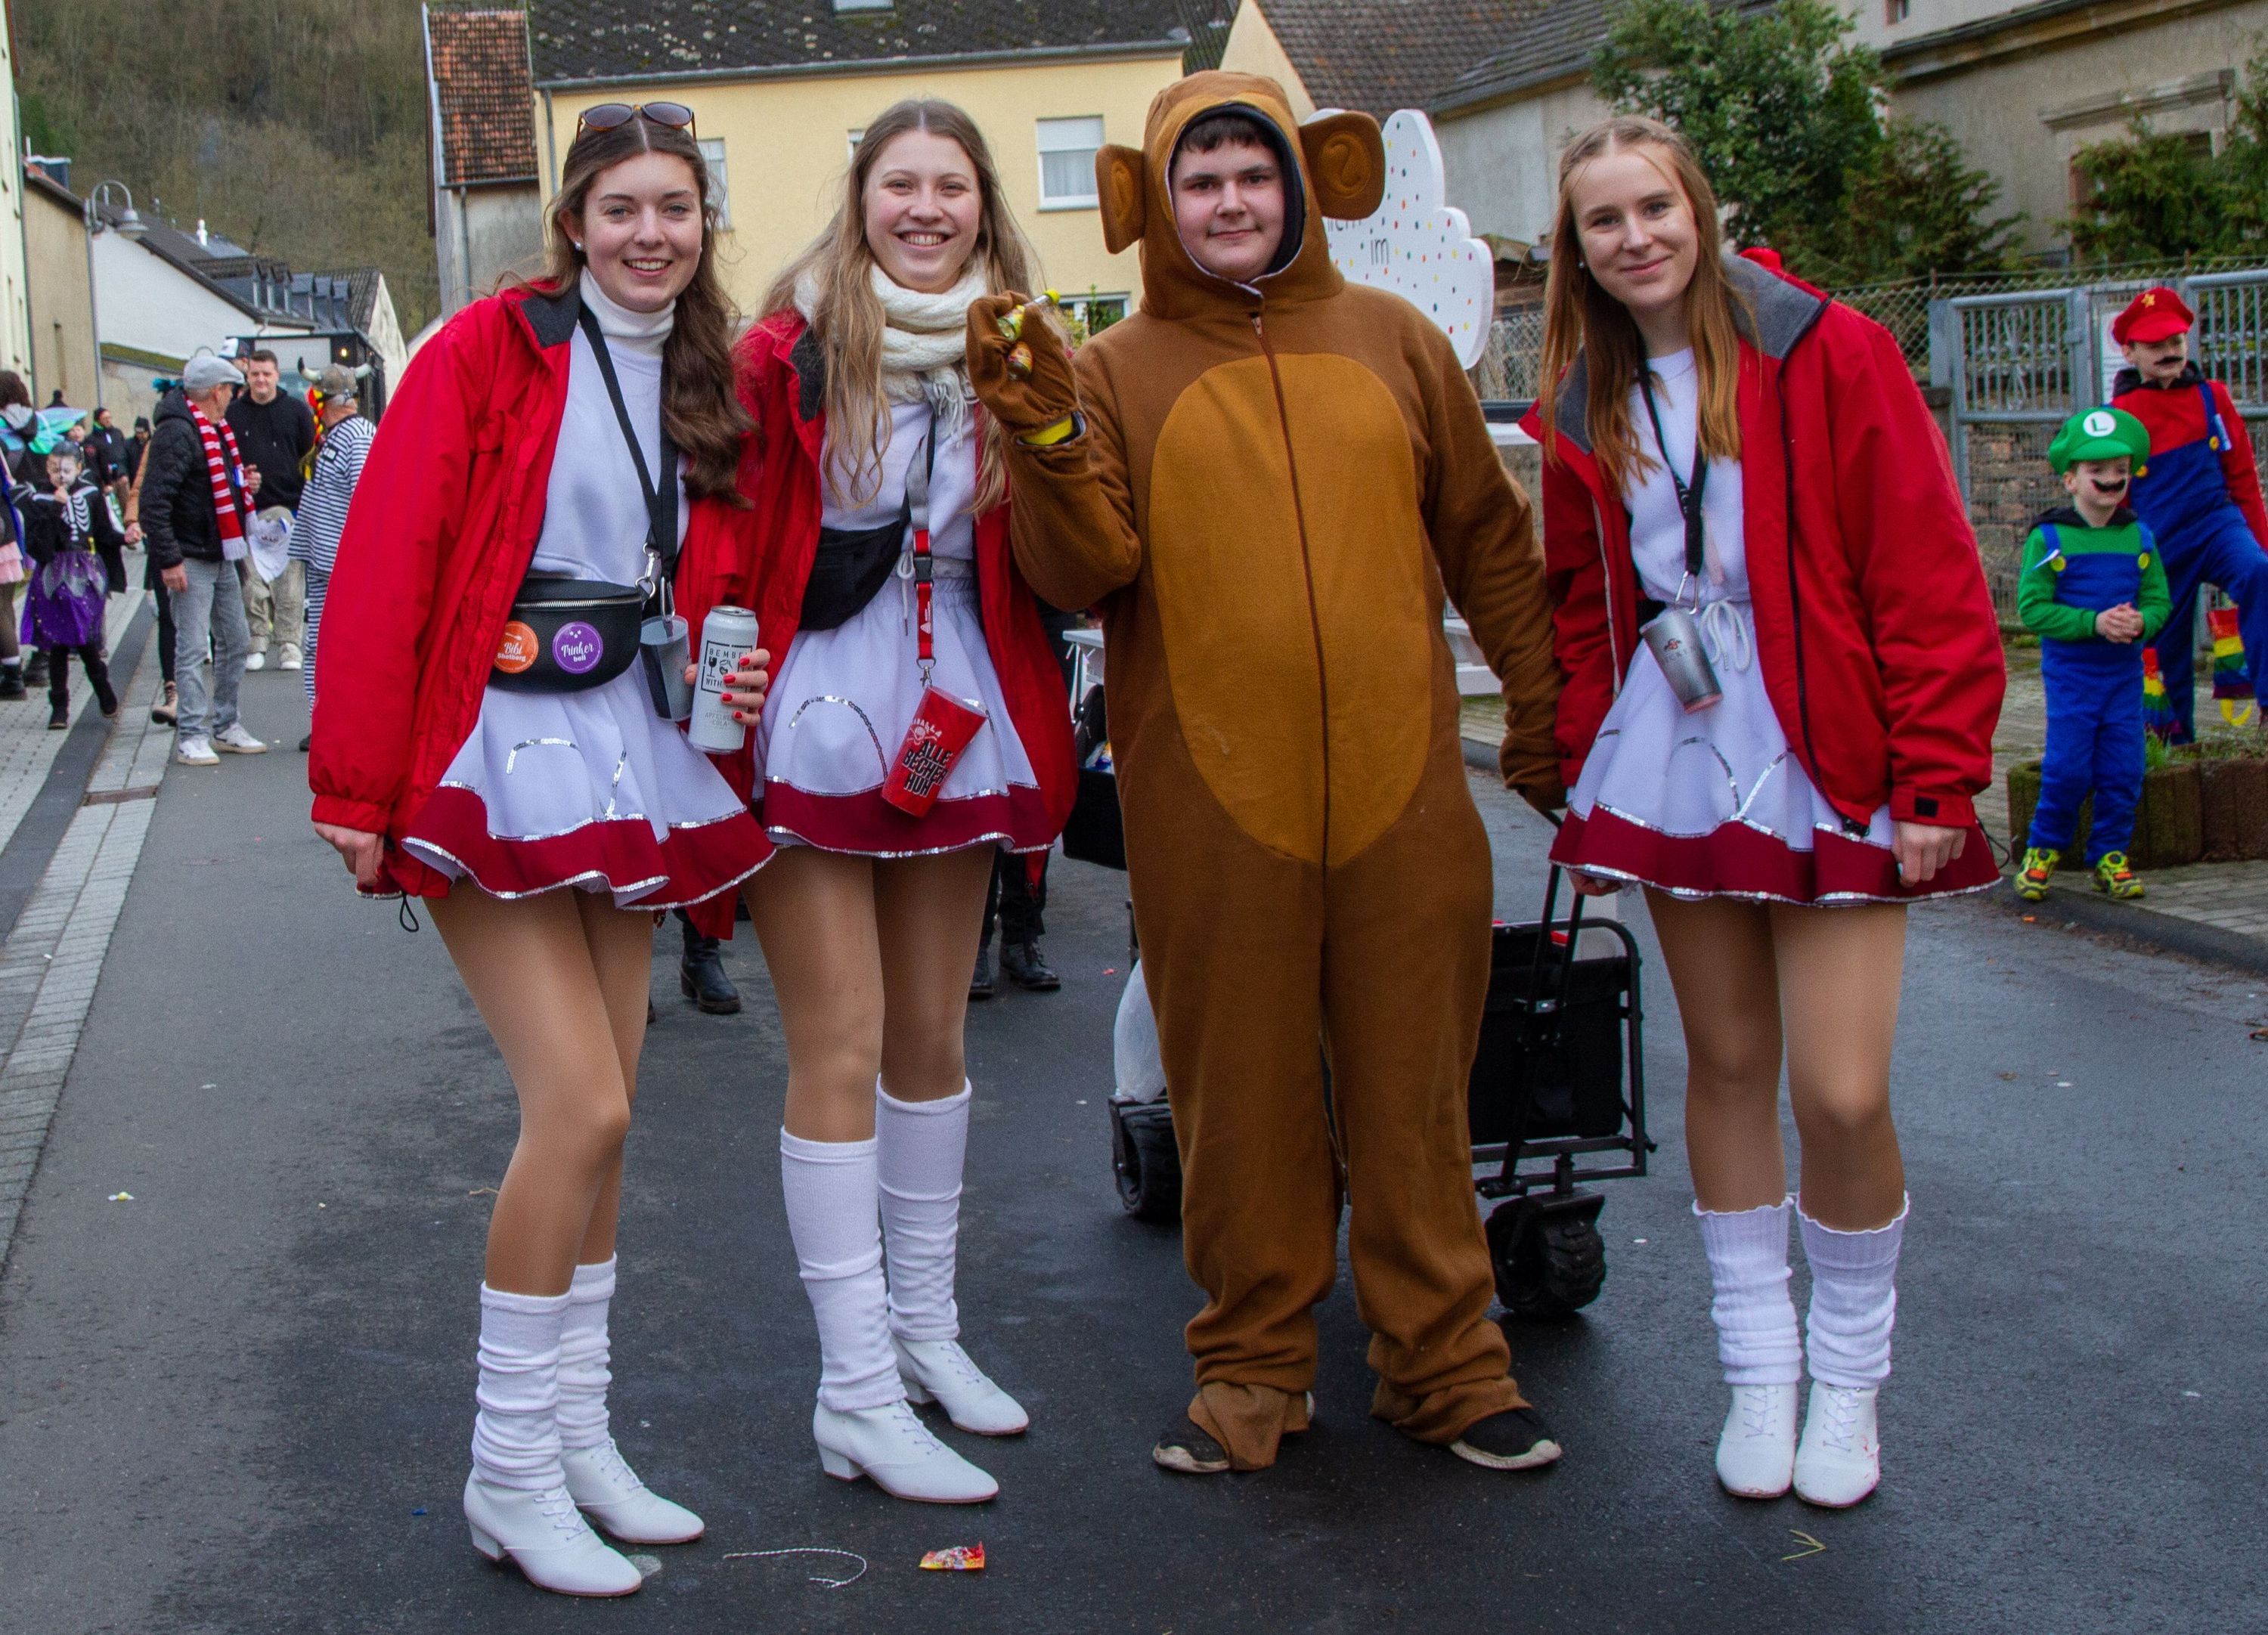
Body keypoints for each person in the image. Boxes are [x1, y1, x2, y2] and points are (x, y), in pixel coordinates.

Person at [967, 73, 1567, 1479]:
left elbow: (1490, 543)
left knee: (1417, 1086)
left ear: (1303, 187)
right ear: (1159, 206)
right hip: (1208, 804)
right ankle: (1251, 1367)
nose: (1232, 203)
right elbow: (1083, 570)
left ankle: (1451, 1366)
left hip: (1406, 791)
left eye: (1255, 174)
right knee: (1236, 1092)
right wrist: (1045, 437)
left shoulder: (1398, 341)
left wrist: (1544, 719)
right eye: (1203, 180)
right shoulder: (1111, 373)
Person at [309, 105, 770, 1597]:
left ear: (706, 223)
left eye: (677, 209)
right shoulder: (484, 349)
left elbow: (707, 568)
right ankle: (506, 1466)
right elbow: (390, 562)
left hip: (627, 740)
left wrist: (727, 668)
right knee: (571, 1104)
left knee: (616, 1112)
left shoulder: (710, 369)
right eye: (622, 207)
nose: (652, 233)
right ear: (574, 219)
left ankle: (578, 1436)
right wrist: (359, 784)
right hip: (486, 746)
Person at [1520, 117, 2003, 1507]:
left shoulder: (1827, 350)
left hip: (1836, 747)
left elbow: (1924, 561)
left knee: (1842, 1089)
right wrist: (1585, 782)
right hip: (1675, 753)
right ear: (1577, 248)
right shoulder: (1580, 402)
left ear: (1701, 209)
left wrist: (1936, 772)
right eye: (1602, 222)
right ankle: (1760, 1375)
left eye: (1652, 208)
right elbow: (1583, 603)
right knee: (1724, 1067)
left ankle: (1849, 1386)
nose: (1634, 240)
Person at [674, 98, 1074, 1506]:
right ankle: (852, 1388)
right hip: (808, 707)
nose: (924, 207)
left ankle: (927, 1337)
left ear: (983, 203)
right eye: (898, 183)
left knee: (933, 1034)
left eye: (950, 185)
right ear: (859, 201)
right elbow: (719, 520)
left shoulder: (1022, 347)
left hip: (954, 695)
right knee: (837, 1040)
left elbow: (1063, 529)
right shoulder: (786, 349)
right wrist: (712, 659)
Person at [2013, 407, 2167, 903]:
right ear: (2070, 479)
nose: (2110, 478)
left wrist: (2143, 621)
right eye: (2096, 470)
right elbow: (2032, 608)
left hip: (2123, 679)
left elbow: (2160, 599)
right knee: (2068, 769)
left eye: (2120, 469)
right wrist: (2093, 622)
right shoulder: (2050, 537)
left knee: (2124, 769)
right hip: (2073, 679)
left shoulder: (2139, 536)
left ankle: (2110, 856)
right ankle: (2043, 851)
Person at [2108, 287, 2268, 743]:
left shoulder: (2212, 398)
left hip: (2218, 525)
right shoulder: (2120, 415)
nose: (2169, 352)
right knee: (2164, 647)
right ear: (2129, 352)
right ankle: (2172, 747)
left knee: (2259, 573)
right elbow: (2114, 501)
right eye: (2156, 345)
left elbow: (2242, 480)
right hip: (2158, 543)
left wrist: (2261, 543)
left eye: (2176, 341)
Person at [140, 352, 267, 766]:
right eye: (231, 389)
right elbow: (154, 502)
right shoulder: (178, 433)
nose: (234, 396)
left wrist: (244, 484)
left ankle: (225, 723)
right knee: (193, 648)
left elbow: (213, 488)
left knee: (236, 640)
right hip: (190, 556)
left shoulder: (215, 431)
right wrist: (169, 558)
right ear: (217, 391)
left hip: (219, 554)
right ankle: (192, 734)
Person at [971, 599, 1077, 997]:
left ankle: (1022, 933)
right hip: (981, 591)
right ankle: (974, 939)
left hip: (1045, 598)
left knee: (1039, 765)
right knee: (983, 759)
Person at [287, 363, 373, 748]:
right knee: (320, 644)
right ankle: (327, 721)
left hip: (344, 565)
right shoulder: (337, 436)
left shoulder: (356, 436)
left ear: (323, 401)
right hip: (327, 561)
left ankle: (343, 724)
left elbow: (366, 496)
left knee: (339, 646)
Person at [14, 442, 120, 727]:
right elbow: (39, 548)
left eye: (66, 469)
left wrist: (126, 537)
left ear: (79, 469)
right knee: (59, 641)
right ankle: (61, 706)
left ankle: (101, 689)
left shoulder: (91, 495)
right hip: (53, 573)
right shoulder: (40, 500)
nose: (60, 475)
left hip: (84, 573)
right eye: (54, 469)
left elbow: (104, 532)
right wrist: (55, 509)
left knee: (84, 636)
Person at [226, 348, 315, 672]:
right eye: (255, 374)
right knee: (251, 581)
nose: (261, 380)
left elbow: (310, 459)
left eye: (266, 374)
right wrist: (241, 482)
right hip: (249, 510)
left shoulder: (296, 412)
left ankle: (290, 642)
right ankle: (257, 638)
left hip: (289, 507)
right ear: (247, 376)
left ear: (277, 375)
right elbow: (226, 463)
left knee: (290, 582)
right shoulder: (233, 414)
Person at [120, 415, 176, 725]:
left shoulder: (219, 431)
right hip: (167, 539)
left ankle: (213, 706)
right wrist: (132, 521)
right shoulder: (161, 441)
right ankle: (174, 691)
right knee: (169, 617)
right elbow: (140, 484)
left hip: (208, 543)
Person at [0, 370, 53, 699]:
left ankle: (14, 671)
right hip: (41, 510)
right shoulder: (40, 424)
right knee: (39, 589)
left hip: (10, 515)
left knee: (6, 602)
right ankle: (44, 659)